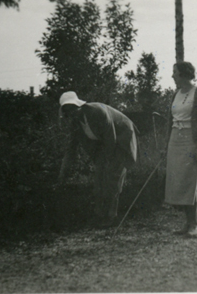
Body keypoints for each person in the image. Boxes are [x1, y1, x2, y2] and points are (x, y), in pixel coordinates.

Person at [57, 91, 138, 227]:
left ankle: (112, 216)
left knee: (113, 175)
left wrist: (108, 162)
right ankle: (99, 214)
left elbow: (111, 139)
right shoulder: (75, 124)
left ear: (79, 106)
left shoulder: (97, 112)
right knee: (99, 176)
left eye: (73, 108)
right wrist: (62, 173)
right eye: (67, 111)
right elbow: (71, 149)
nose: (71, 113)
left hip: (121, 138)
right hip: (104, 143)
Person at [165, 62, 197, 237]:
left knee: (189, 183)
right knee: (178, 183)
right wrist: (165, 145)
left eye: (175, 72)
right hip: (175, 140)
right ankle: (187, 223)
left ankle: (194, 224)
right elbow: (170, 121)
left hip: (191, 140)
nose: (172, 76)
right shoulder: (175, 94)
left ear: (184, 74)